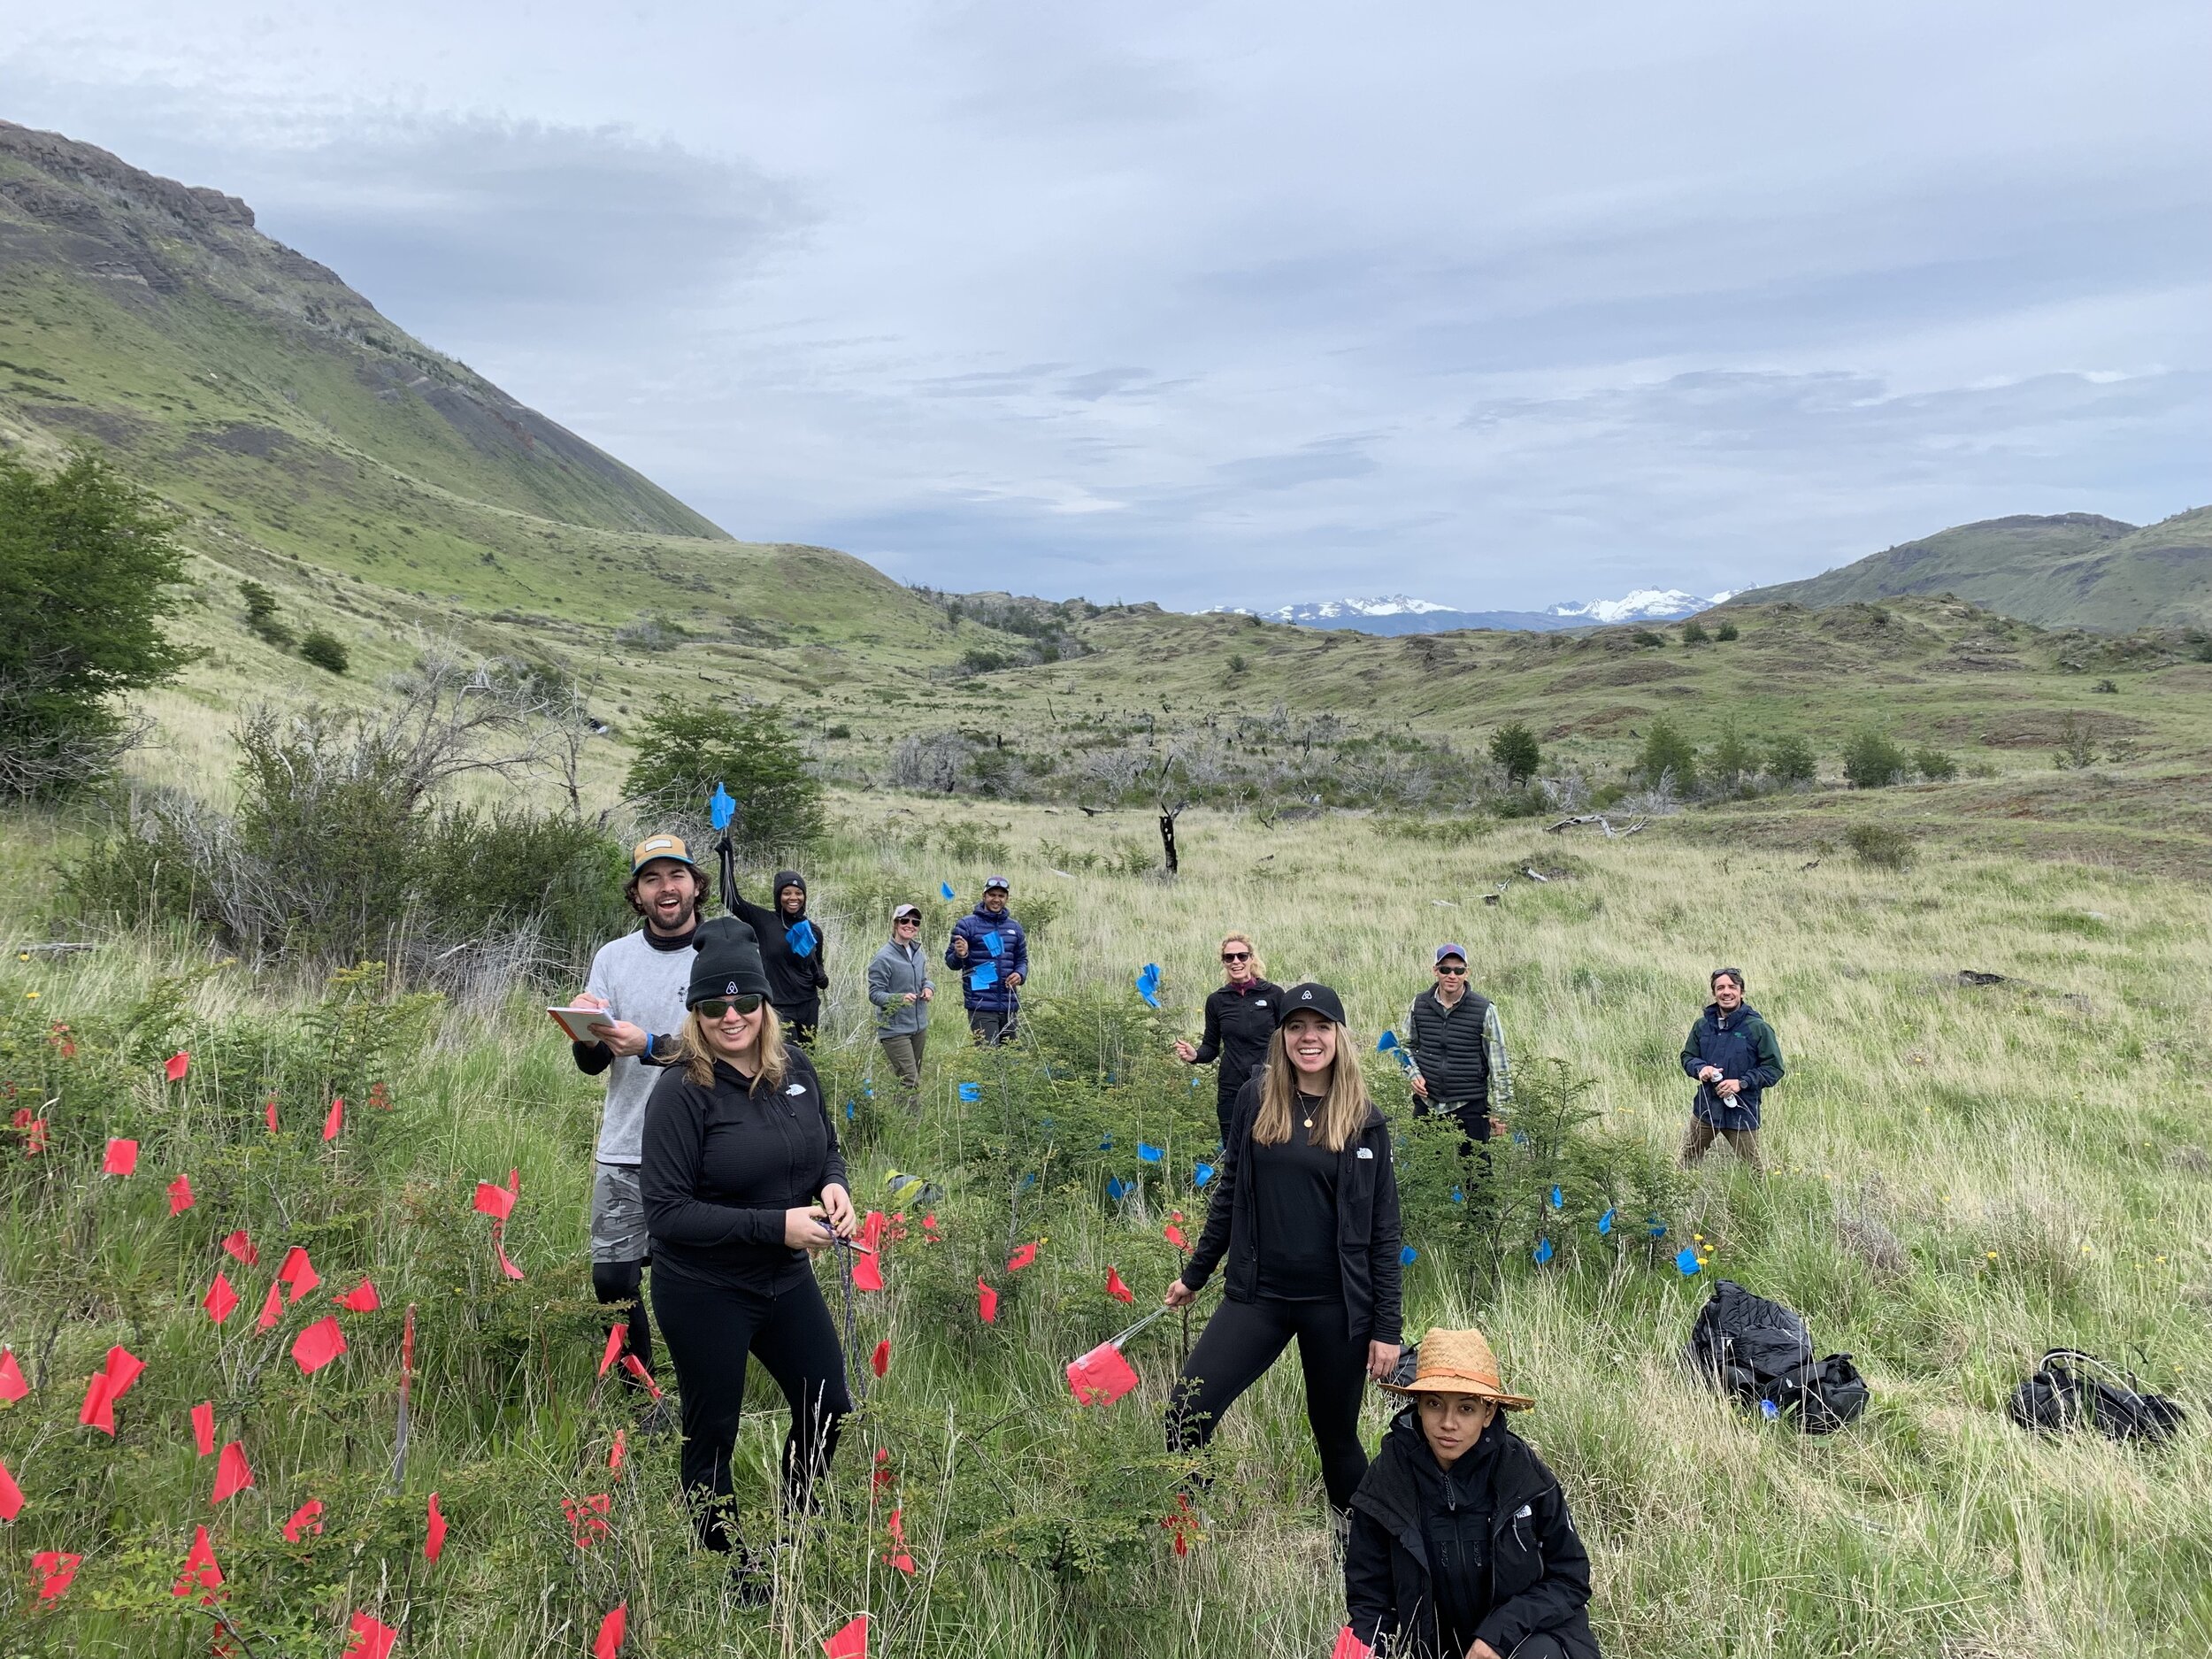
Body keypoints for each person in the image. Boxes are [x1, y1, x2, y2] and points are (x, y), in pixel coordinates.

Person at [639, 917, 856, 1582]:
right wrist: (776, 1225)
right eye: (712, 1005)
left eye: (743, 1002)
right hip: (705, 1287)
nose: (729, 1016)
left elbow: (826, 1144)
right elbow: (668, 1213)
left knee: (828, 1403)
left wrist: (834, 1184)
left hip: (784, 1278)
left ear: (766, 1005)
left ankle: (797, 1531)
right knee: (714, 1431)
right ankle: (727, 1562)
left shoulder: (797, 1070)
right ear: (694, 1014)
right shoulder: (680, 1092)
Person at [1164, 983, 1402, 1518]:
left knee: (1335, 1435)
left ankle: (1358, 1542)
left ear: (1339, 1037)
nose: (1308, 1037)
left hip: (1336, 1306)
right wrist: (1197, 1274)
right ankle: (1192, 1518)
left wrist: (1387, 1329)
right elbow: (1230, 1190)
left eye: (1319, 1027)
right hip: (1259, 1296)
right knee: (1187, 1411)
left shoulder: (1366, 1119)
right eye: (1296, 1026)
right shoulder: (1257, 1097)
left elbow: (1385, 1231)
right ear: (1282, 1036)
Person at [1345, 1328, 1601, 1659]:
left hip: (1529, 1639)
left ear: (1488, 1413)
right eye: (1435, 1404)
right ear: (1418, 1406)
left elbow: (1571, 1579)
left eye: (1466, 1409)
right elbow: (1369, 1599)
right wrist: (1361, 1650)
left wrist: (1498, 1635)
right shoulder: (1387, 1479)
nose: (1448, 1423)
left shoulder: (1524, 1476)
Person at [568, 833, 710, 1399]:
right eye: (651, 879)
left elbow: (734, 1050)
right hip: (626, 1146)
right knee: (614, 1281)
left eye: (675, 875)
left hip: (703, 1146)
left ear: (696, 885)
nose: (665, 888)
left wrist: (650, 1043)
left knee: (696, 1278)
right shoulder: (612, 957)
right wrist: (584, 1029)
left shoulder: (722, 951)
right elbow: (593, 1063)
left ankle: (704, 1387)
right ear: (638, 894)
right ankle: (643, 1399)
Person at [1173, 932, 1285, 1147]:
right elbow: (1210, 1047)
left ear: (1251, 959)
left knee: (1271, 1146)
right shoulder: (1217, 1000)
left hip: (1269, 1084)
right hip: (1231, 1087)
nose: (1236, 962)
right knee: (1234, 1148)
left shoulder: (1274, 995)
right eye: (1229, 957)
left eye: (1242, 956)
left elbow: (1288, 1040)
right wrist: (1195, 1055)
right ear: (1223, 962)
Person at [1405, 943, 1513, 1148]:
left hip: (1470, 1106)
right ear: (1435, 971)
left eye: (1458, 970)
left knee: (1475, 1175)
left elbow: (1499, 1063)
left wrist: (1501, 1109)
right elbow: (1404, 1046)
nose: (1452, 975)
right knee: (1424, 1172)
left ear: (1467, 972)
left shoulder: (1485, 1010)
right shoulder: (1418, 1004)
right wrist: (1413, 1074)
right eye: (1445, 969)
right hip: (1428, 1104)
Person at [1679, 967, 1784, 1171]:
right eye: (1720, 988)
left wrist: (1741, 1083)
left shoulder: (1758, 1028)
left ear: (1741, 992)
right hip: (1706, 1109)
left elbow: (1774, 1069)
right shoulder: (1702, 1026)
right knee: (1687, 1163)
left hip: (1742, 1111)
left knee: (1753, 1172)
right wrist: (1700, 1068)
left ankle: (1753, 1202)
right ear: (1714, 993)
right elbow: (1688, 1057)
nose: (1726, 992)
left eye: (1732, 987)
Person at [726, 869, 829, 1044]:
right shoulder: (765, 922)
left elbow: (818, 962)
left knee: (808, 1059)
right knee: (786, 1059)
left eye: (799, 893)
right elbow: (731, 899)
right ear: (778, 896)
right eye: (786, 893)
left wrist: (821, 976)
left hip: (808, 1005)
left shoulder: (812, 930)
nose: (793, 898)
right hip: (779, 1007)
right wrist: (727, 859)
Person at [946, 875, 1027, 1045]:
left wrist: (1020, 974)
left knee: (1011, 1059)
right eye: (992, 895)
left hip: (1009, 1004)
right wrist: (961, 955)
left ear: (1006, 898)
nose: (996, 900)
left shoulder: (1015, 928)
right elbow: (951, 962)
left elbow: (1022, 960)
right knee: (988, 1057)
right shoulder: (967, 925)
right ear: (984, 896)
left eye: (1001, 896)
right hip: (980, 1005)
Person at [867, 902, 934, 1100]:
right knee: (909, 1081)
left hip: (918, 1026)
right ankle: (913, 1126)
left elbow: (924, 980)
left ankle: (901, 1119)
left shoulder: (918, 954)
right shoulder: (883, 957)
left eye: (915, 922)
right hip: (895, 1030)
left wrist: (929, 988)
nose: (910, 925)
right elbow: (875, 994)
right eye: (905, 920)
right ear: (896, 924)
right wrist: (899, 999)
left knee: (910, 1079)